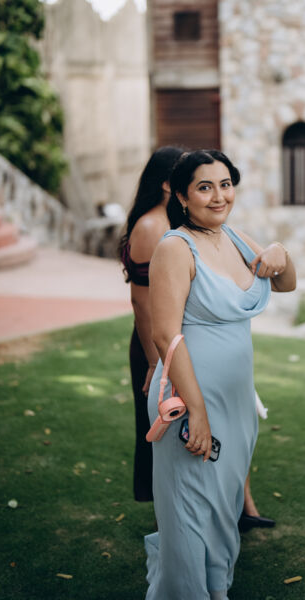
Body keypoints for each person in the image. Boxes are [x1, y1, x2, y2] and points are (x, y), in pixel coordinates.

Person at [145, 149, 296, 599]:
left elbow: (285, 282)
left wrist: (280, 252)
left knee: (223, 506)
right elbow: (165, 334)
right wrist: (198, 411)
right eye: (205, 187)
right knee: (190, 508)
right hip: (190, 397)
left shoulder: (235, 238)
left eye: (225, 184)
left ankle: (215, 588)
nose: (218, 196)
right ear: (182, 196)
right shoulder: (175, 247)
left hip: (236, 399)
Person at [120, 146, 183, 501]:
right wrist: (154, 363)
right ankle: (164, 510)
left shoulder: (171, 221)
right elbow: (140, 303)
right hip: (153, 346)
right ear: (165, 183)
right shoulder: (150, 226)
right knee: (158, 426)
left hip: (172, 341)